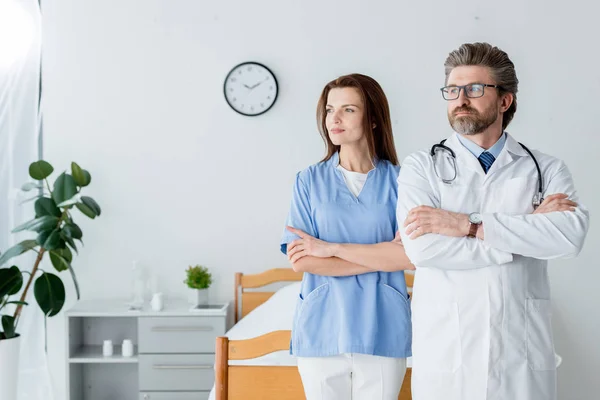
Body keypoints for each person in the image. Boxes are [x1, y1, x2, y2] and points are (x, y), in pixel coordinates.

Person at [395, 42, 590, 400]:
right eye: (452, 90)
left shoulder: (546, 168)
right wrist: (523, 233)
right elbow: (423, 249)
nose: (460, 99)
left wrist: (466, 226)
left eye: (474, 89)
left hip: (520, 354)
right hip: (447, 355)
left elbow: (568, 236)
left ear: (505, 100)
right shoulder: (421, 167)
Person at [280, 73, 414, 400]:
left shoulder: (402, 181)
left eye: (348, 109)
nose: (334, 119)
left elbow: (411, 257)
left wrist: (331, 249)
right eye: (329, 109)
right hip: (321, 327)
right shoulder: (308, 181)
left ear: (373, 120)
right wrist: (381, 255)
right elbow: (302, 261)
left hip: (383, 325)